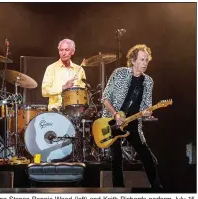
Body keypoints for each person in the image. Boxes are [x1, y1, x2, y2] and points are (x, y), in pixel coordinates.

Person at [101, 44, 162, 188]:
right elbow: (105, 98)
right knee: (117, 158)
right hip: (112, 121)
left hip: (133, 123)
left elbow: (146, 106)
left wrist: (147, 112)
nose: (145, 63)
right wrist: (115, 114)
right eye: (142, 60)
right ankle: (118, 191)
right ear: (133, 60)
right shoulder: (119, 73)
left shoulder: (148, 81)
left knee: (147, 157)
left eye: (147, 60)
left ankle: (157, 189)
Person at [42, 38, 86, 111]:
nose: (63, 53)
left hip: (75, 111)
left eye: (67, 50)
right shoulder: (51, 68)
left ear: (72, 52)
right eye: (61, 50)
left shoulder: (79, 69)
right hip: (56, 110)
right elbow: (44, 91)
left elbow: (83, 92)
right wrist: (63, 87)